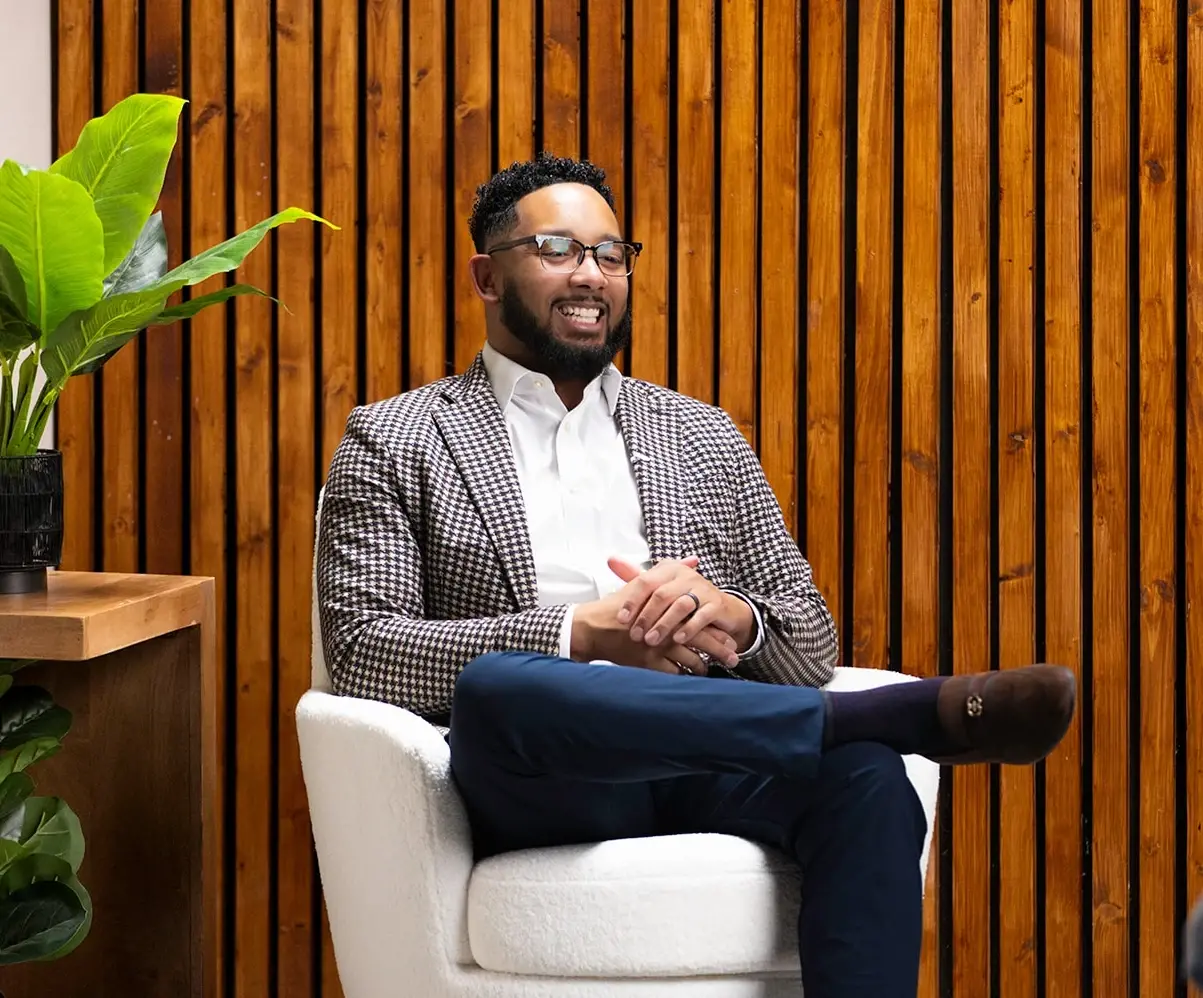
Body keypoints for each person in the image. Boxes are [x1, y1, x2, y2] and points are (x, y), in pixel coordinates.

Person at [316, 154, 1076, 998]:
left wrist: (737, 617)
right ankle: (887, 714)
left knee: (869, 778)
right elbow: (364, 650)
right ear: (486, 276)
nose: (591, 276)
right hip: (550, 775)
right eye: (559, 249)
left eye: (611, 255)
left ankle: (855, 732)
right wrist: (582, 636)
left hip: (711, 752)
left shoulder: (701, 435)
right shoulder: (397, 437)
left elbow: (809, 634)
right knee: (499, 689)